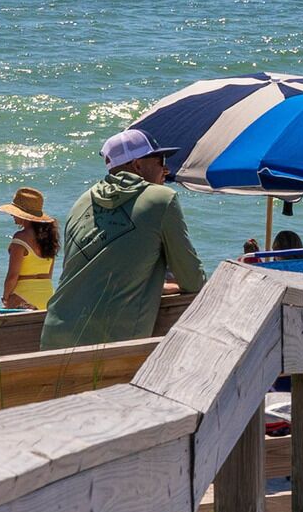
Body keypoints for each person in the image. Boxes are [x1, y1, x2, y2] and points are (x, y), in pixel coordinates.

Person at [43, 127, 206, 349]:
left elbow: (90, 277)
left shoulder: (81, 202)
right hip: (110, 344)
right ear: (137, 165)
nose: (166, 170)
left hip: (54, 336)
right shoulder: (162, 199)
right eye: (160, 160)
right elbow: (193, 280)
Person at [0, 186, 59, 311]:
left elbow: (12, 275)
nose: (11, 214)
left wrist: (5, 298)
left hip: (24, 295)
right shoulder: (49, 238)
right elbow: (49, 274)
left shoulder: (20, 238)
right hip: (47, 295)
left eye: (14, 212)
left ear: (23, 215)